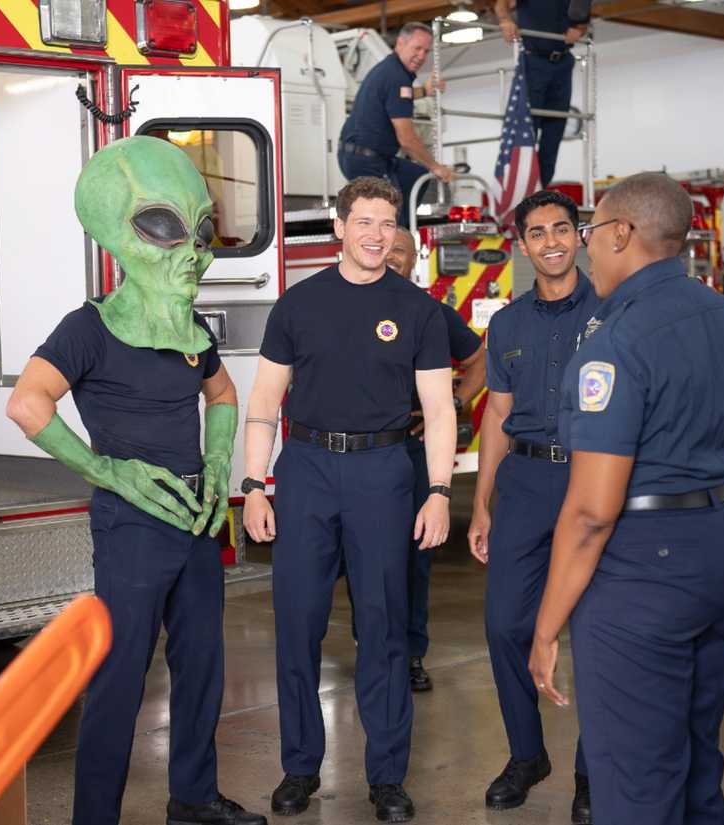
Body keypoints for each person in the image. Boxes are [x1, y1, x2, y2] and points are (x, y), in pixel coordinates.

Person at [6, 137, 264, 825]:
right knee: (118, 678)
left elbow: (225, 393)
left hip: (197, 520)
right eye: (164, 226)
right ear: (117, 236)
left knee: (203, 664)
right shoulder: (87, 329)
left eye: (203, 229)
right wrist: (107, 470)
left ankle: (194, 797)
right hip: (133, 526)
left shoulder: (191, 327)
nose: (196, 251)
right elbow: (28, 404)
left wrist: (218, 464)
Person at [526, 172, 724, 825]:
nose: (585, 248)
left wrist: (545, 629)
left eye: (591, 233)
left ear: (623, 234)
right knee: (695, 761)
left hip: (645, 566)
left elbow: (591, 510)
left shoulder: (615, 344)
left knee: (635, 780)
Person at [243, 177, 455, 824]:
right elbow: (261, 405)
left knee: (384, 627)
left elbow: (441, 410)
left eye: (386, 223)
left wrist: (440, 490)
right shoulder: (297, 305)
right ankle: (299, 766)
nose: (374, 234)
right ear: (338, 227)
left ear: (397, 231)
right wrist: (255, 483)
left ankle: (387, 776)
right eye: (362, 222)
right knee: (297, 623)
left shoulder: (418, 310)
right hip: (305, 469)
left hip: (384, 471)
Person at [466, 190, 596, 822]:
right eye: (538, 232)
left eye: (561, 229)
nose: (551, 241)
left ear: (580, 236)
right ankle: (526, 753)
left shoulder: (613, 314)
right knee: (504, 626)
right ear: (523, 244)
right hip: (523, 483)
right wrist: (483, 501)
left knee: (596, 630)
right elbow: (497, 412)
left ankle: (592, 772)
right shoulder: (507, 324)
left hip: (593, 482)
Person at [386, 227, 486, 692]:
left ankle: (410, 655)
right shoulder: (343, 305)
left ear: (413, 260)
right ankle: (375, 647)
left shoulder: (430, 312)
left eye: (400, 252)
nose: (389, 256)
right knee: (364, 557)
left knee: (414, 557)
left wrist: (457, 402)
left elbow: (482, 357)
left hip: (410, 449)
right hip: (357, 454)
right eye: (383, 248)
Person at [337, 22, 454, 225]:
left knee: (416, 175)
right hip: (366, 159)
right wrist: (436, 167)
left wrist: (425, 91)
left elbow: (399, 97)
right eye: (417, 48)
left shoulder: (391, 71)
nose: (422, 56)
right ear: (400, 43)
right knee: (391, 210)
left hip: (368, 156)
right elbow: (407, 140)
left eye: (426, 51)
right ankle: (398, 239)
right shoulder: (396, 76)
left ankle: (405, 229)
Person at [494, 0, 589, 188]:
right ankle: (521, 190)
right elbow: (501, 3)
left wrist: (580, 29)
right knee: (527, 128)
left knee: (555, 131)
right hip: (534, 60)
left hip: (563, 62)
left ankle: (541, 189)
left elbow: (583, 15)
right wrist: (505, 21)